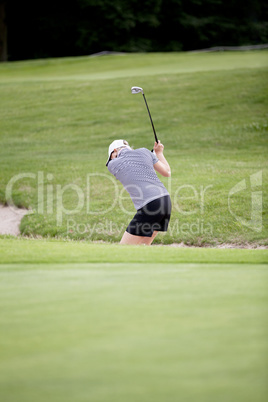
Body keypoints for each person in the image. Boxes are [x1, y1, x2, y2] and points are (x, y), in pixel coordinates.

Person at [106, 139, 172, 245]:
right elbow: (167, 172)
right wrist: (158, 153)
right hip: (165, 201)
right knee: (143, 247)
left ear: (115, 151)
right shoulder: (145, 152)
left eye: (111, 156)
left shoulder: (112, 165)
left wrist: (152, 155)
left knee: (123, 249)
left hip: (150, 205)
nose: (111, 159)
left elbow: (129, 162)